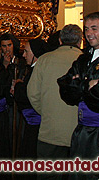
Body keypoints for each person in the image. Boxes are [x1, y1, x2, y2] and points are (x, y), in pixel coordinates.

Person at [57, 12, 99, 175]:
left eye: (94, 28)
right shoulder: (82, 59)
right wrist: (87, 84)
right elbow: (65, 90)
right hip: (81, 132)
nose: (89, 33)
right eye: (86, 29)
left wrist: (79, 84)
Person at [27, 24, 82, 179]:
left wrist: (46, 112)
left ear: (59, 40)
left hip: (50, 132)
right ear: (80, 41)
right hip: (78, 133)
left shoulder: (45, 60)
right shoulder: (85, 60)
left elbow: (32, 94)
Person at [13, 38, 49, 162]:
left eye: (26, 52)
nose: (23, 55)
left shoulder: (37, 70)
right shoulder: (37, 69)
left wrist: (17, 87)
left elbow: (28, 95)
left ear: (35, 53)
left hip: (36, 125)